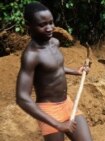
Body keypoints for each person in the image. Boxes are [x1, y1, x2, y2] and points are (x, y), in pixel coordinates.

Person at [16, 2, 92, 141]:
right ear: (29, 26)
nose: (49, 28)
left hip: (67, 104)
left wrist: (76, 72)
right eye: (42, 25)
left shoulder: (54, 43)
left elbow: (55, 67)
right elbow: (22, 98)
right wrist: (58, 124)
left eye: (51, 23)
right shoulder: (31, 56)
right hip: (49, 111)